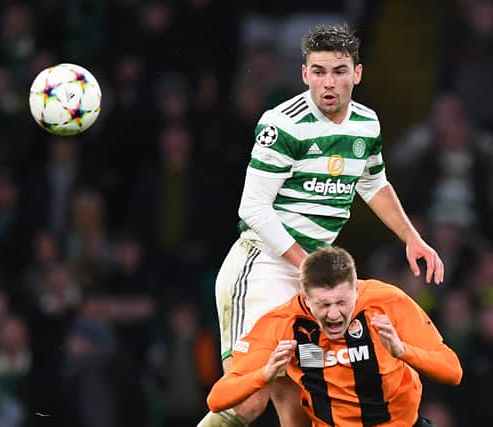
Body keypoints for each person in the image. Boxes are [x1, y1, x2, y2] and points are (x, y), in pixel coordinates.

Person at [197, 24, 444, 427]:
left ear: (357, 73)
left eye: (339, 71)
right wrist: (307, 267)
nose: (329, 82)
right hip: (262, 269)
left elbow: (374, 183)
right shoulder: (283, 125)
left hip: (311, 279)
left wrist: (411, 237)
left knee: (305, 408)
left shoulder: (366, 124)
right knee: (247, 402)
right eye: (319, 71)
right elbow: (253, 207)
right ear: (304, 74)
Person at [207, 246, 462, 427]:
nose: (334, 314)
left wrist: (402, 351)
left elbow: (453, 372)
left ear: (356, 288)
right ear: (305, 297)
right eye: (323, 305)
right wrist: (264, 375)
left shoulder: (387, 301)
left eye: (342, 302)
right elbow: (217, 399)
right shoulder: (282, 322)